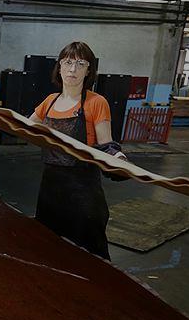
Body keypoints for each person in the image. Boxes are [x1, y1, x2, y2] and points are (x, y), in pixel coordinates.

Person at [30, 41, 126, 260]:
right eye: (68, 63)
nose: (73, 69)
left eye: (81, 64)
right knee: (49, 247)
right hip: (50, 189)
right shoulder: (49, 102)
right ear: (59, 67)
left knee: (90, 254)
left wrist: (118, 159)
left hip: (83, 191)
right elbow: (25, 127)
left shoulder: (96, 102)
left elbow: (106, 144)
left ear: (89, 70)